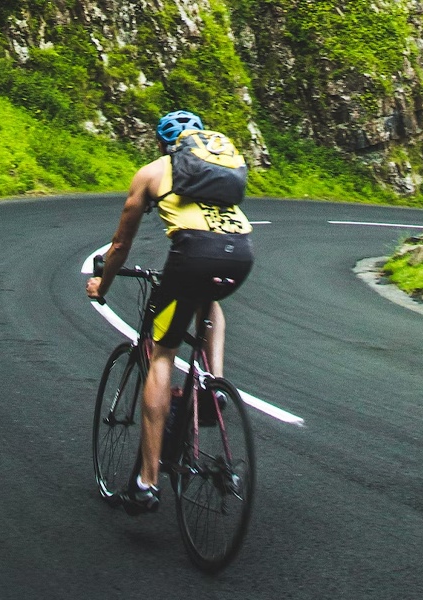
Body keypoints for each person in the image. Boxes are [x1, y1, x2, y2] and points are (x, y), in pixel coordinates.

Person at [85, 110, 254, 514]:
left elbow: (120, 246)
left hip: (193, 256)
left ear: (164, 144)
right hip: (241, 254)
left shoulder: (152, 172)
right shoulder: (216, 173)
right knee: (206, 300)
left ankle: (146, 483)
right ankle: (213, 384)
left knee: (162, 354)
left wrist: (101, 286)